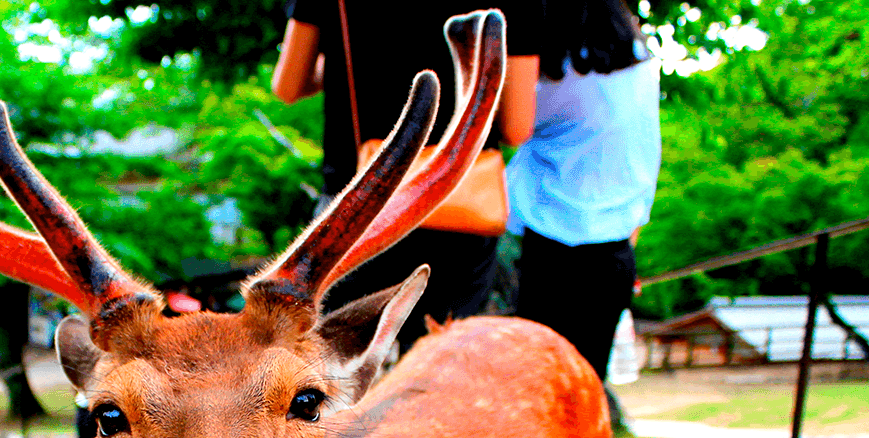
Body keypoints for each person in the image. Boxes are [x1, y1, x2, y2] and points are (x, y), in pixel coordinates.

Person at [271, 0, 543, 352]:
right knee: (439, 376)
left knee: (338, 379)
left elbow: (288, 86)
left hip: (355, 210)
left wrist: (345, 61)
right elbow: (517, 126)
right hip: (459, 205)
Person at [507, 0, 661, 387]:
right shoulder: (639, 61)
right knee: (584, 392)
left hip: (548, 247)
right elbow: (644, 162)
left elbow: (513, 126)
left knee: (533, 390)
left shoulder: (556, 71)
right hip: (614, 254)